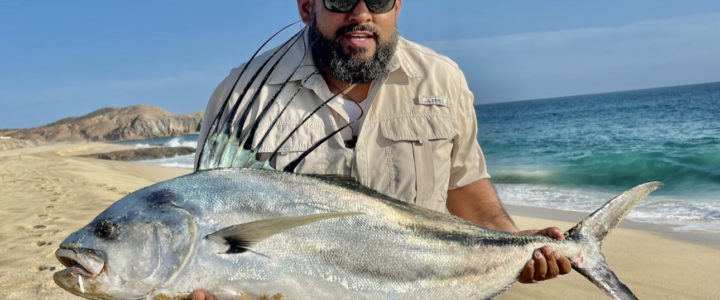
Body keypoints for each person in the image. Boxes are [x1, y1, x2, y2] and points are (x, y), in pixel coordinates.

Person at [193, 0, 570, 298]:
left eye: (378, 0)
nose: (361, 14)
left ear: (398, 6)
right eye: (341, 0)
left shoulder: (442, 78)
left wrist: (517, 243)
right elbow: (210, 215)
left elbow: (466, 188)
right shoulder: (242, 97)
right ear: (308, 6)